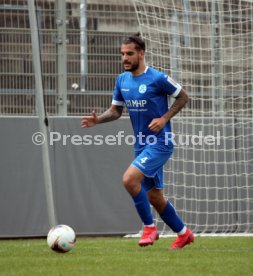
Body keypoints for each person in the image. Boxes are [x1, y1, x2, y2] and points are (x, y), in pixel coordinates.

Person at [81, 33, 194, 250]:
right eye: (122, 54)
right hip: (141, 145)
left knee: (129, 180)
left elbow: (183, 97)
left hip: (161, 143)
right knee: (154, 196)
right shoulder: (122, 80)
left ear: (141, 54)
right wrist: (98, 120)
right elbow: (115, 111)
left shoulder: (158, 78)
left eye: (129, 54)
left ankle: (149, 228)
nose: (125, 58)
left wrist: (163, 118)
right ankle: (184, 233)